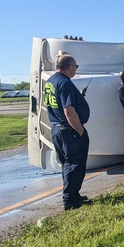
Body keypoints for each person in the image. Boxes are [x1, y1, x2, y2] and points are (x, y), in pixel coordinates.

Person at [43, 54, 91, 210]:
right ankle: (70, 200)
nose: (76, 70)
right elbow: (68, 110)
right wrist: (80, 131)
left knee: (67, 164)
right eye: (75, 67)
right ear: (70, 67)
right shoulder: (65, 83)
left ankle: (73, 194)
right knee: (75, 164)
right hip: (69, 130)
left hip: (57, 128)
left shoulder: (50, 82)